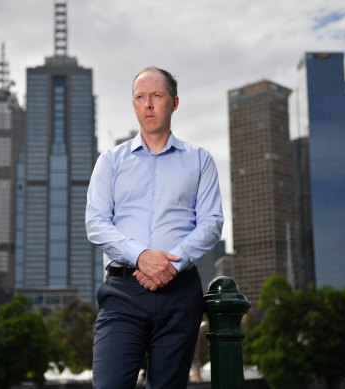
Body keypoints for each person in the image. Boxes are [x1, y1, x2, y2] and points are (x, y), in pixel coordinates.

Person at [85, 66, 224, 389]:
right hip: (123, 293)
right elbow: (96, 222)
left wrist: (170, 263)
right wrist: (141, 256)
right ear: (134, 104)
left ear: (174, 103)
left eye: (156, 96)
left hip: (179, 293)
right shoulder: (111, 161)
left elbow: (212, 222)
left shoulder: (199, 160)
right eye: (140, 97)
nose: (148, 104)